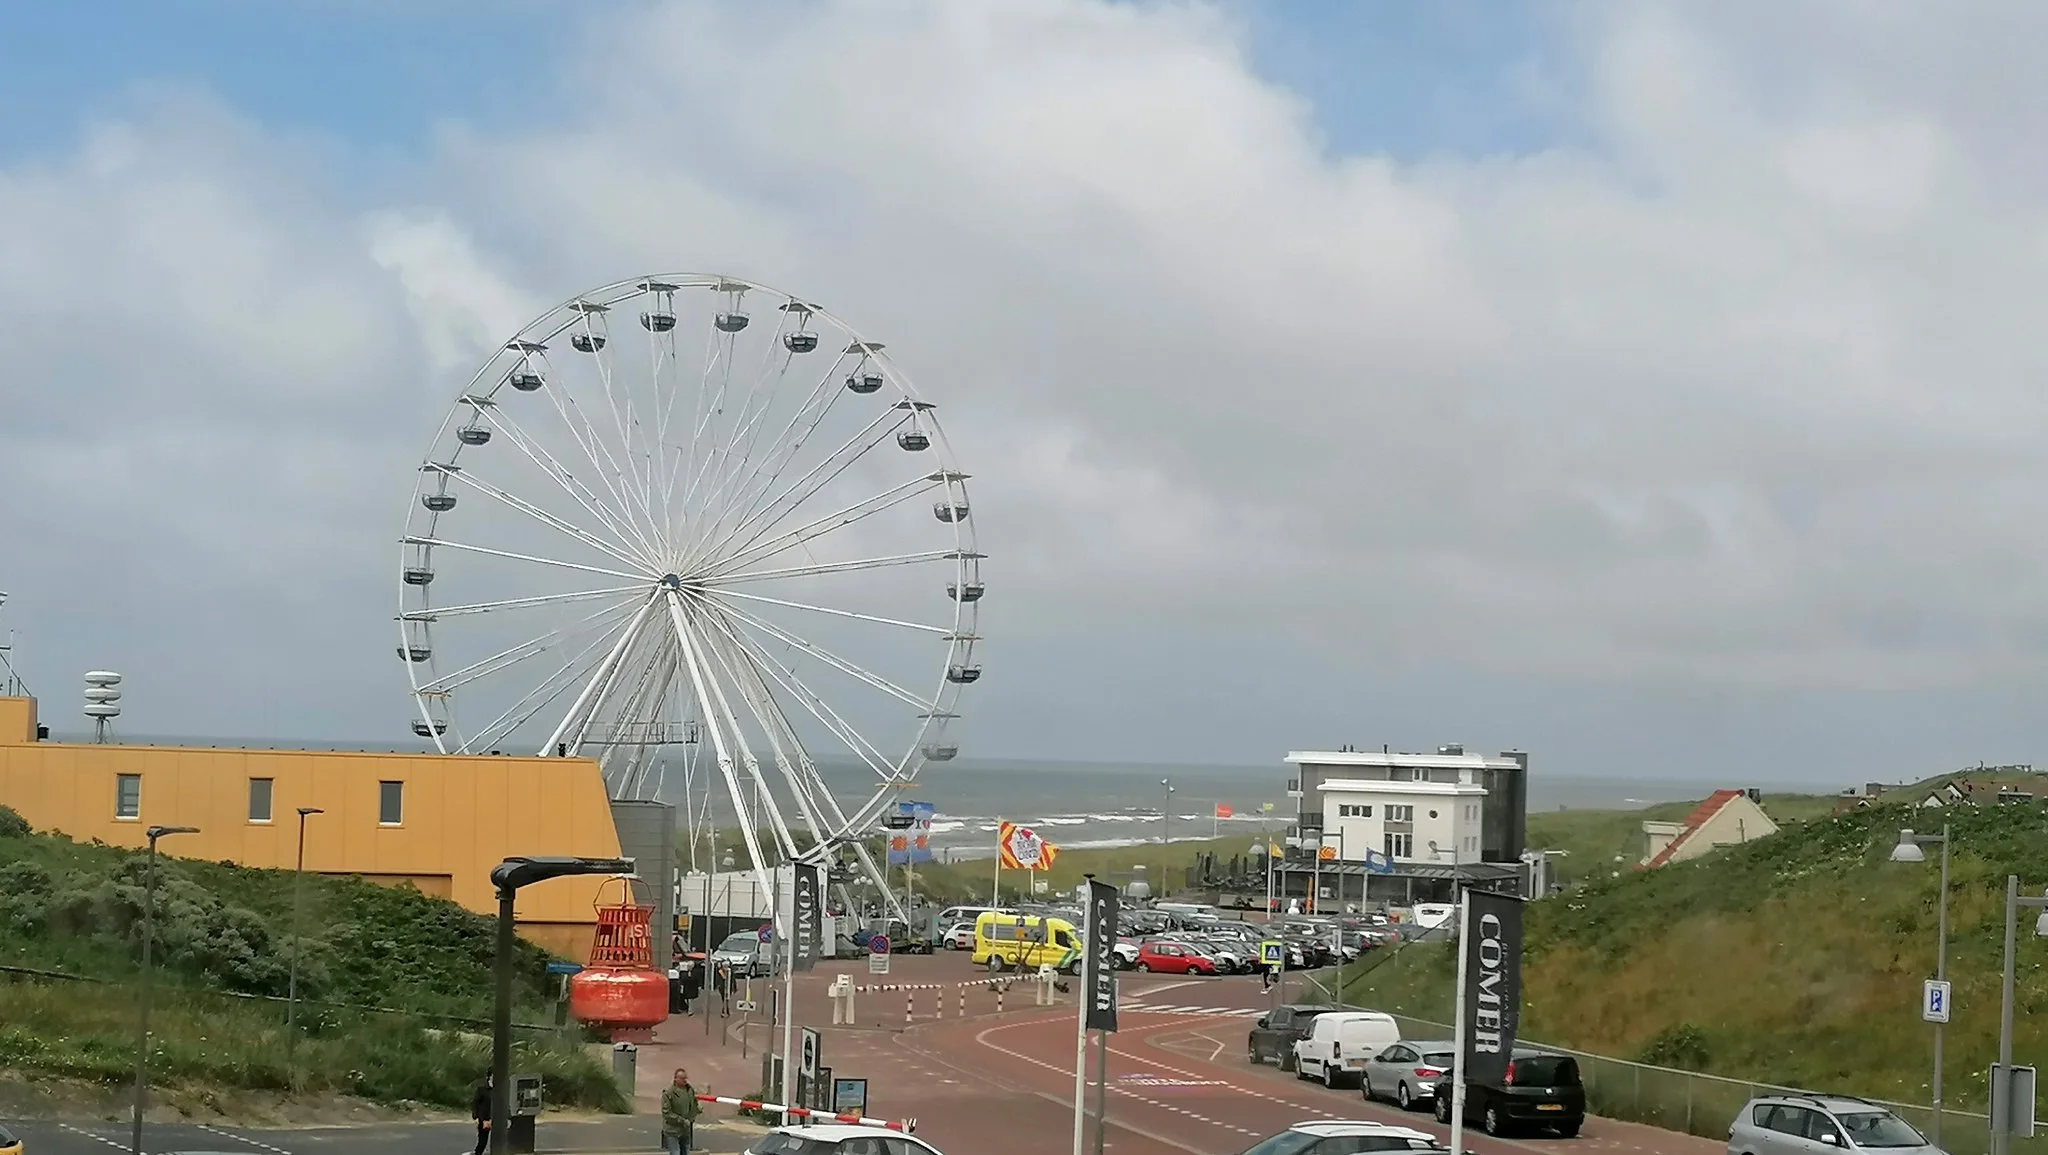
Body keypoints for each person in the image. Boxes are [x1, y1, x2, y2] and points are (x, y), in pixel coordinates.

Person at [660, 1067, 704, 1155]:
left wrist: (697, 1110)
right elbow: (666, 1113)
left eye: (685, 1078)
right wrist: (682, 1120)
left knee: (685, 1151)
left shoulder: (689, 1090)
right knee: (675, 1152)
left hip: (685, 1130)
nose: (685, 1081)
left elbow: (693, 1105)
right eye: (682, 1078)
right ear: (676, 1079)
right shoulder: (668, 1093)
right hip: (673, 1130)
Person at [470, 1072, 493, 1155]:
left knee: (499, 1140)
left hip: (496, 1117)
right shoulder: (482, 1089)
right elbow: (475, 1103)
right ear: (489, 1077)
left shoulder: (499, 1090)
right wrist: (476, 1117)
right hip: (484, 1119)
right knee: (483, 1141)